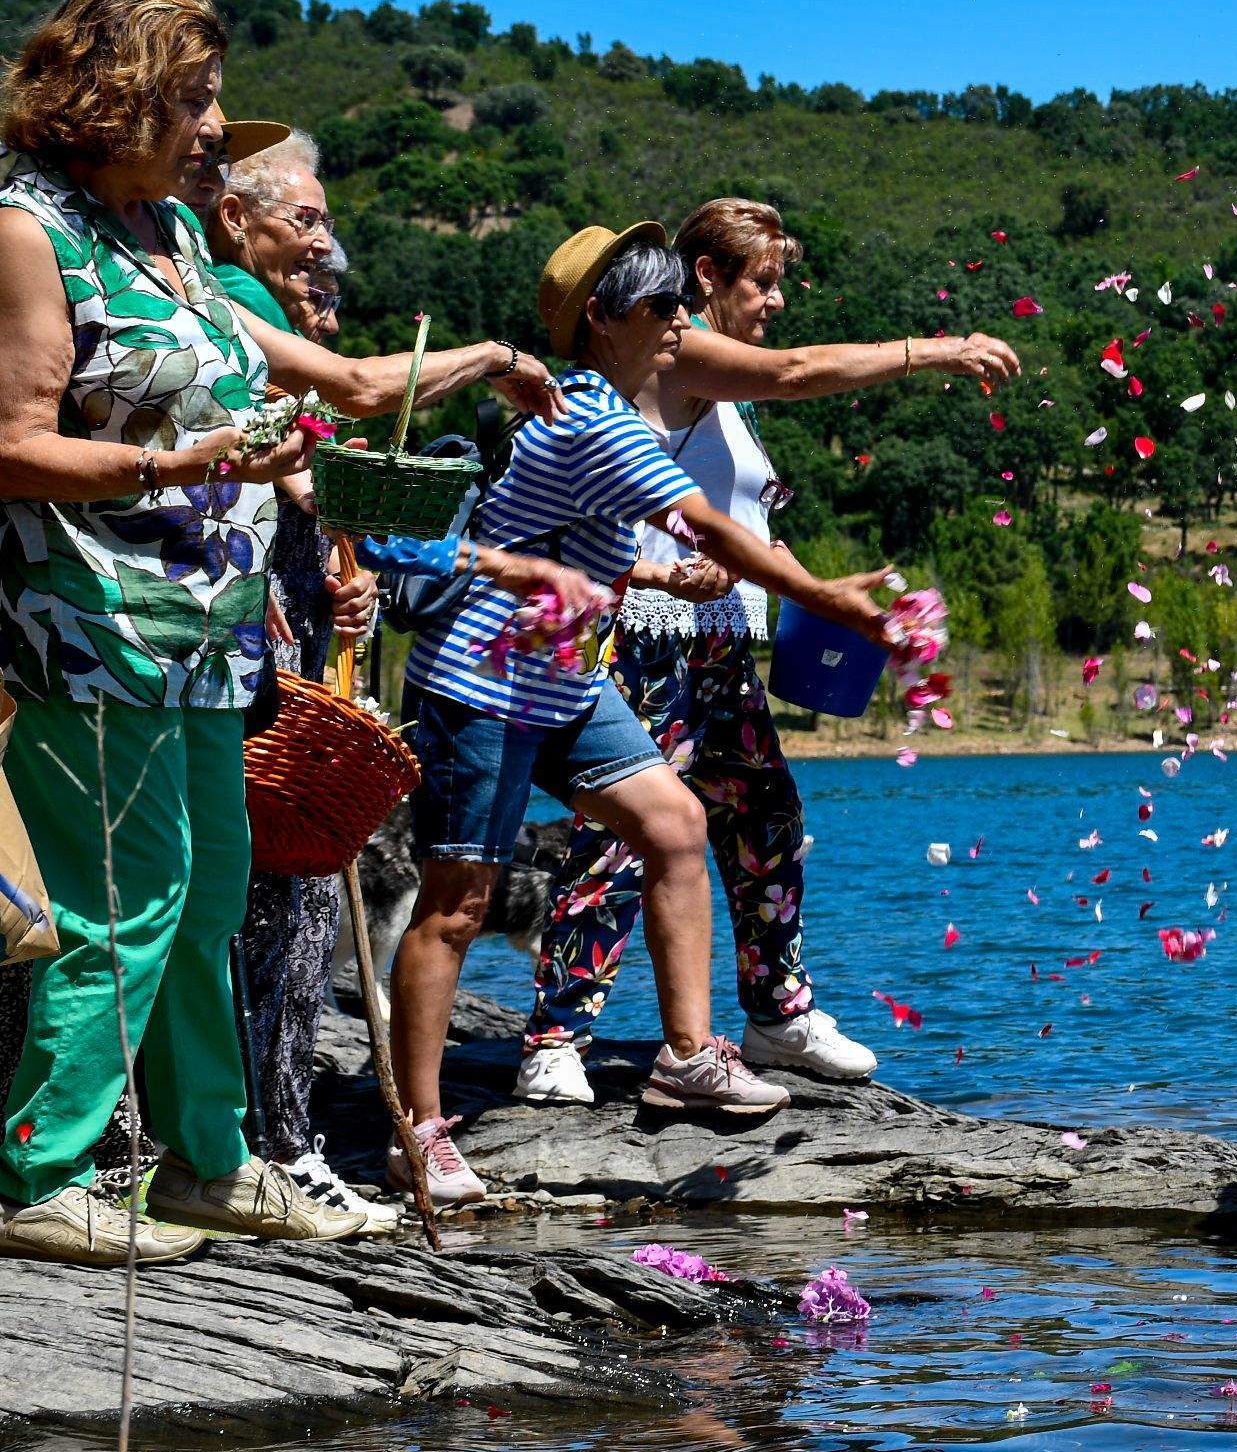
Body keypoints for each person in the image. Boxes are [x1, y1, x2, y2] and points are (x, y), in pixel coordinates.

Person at [389, 223, 897, 1204]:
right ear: (605, 319)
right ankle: (422, 1129)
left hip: (567, 682)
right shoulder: (595, 418)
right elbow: (707, 518)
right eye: (662, 305)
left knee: (675, 822)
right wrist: (829, 595)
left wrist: (655, 572)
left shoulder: (605, 410)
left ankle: (687, 1054)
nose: (680, 320)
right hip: (484, 679)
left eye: (682, 301)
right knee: (455, 907)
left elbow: (577, 533)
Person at [0, 0, 360, 1264]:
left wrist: (269, 451)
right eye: (196, 98)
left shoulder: (174, 235)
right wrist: (185, 463)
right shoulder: (30, 232)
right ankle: (38, 1173)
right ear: (117, 95)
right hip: (91, 631)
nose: (217, 126)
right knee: (124, 906)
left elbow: (231, 391)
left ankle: (210, 1161)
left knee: (207, 900)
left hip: (207, 637)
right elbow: (13, 447)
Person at [517, 198, 1019, 1102]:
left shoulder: (714, 385)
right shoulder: (681, 350)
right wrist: (937, 350)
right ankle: (556, 1038)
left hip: (715, 646)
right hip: (640, 638)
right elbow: (794, 371)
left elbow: (737, 518)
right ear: (704, 279)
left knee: (766, 817)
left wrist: (827, 597)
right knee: (627, 837)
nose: (777, 301)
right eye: (763, 281)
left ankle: (777, 1015)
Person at [221, 147, 400, 1236]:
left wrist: (347, 585)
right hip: (242, 689)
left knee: (298, 914)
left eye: (333, 302)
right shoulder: (245, 364)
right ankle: (262, 1144)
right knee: (264, 915)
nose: (325, 308)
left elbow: (322, 544)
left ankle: (281, 1138)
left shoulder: (301, 398)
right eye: (311, 293)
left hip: (288, 688)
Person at [190, 125, 565, 422]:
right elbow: (359, 387)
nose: (323, 244)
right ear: (235, 216)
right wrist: (493, 356)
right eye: (305, 220)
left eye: (324, 224)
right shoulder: (237, 291)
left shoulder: (246, 292)